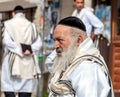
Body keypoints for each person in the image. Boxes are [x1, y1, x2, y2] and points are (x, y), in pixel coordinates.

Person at [48, 16, 114, 97]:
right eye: (54, 40)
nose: (55, 46)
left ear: (78, 40)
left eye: (60, 40)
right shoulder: (71, 61)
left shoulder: (87, 68)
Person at [45, 0, 104, 70]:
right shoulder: (75, 13)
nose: (80, 5)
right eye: (78, 2)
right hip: (75, 44)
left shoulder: (87, 13)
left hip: (83, 43)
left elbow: (100, 26)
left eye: (82, 2)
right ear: (74, 3)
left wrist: (91, 39)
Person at [1, 5, 42, 97]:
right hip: (28, 60)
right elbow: (38, 43)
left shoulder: (7, 24)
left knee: (9, 87)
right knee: (25, 89)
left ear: (13, 13)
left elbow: (7, 42)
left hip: (11, 59)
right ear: (24, 14)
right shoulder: (32, 26)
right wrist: (28, 49)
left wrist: (19, 50)